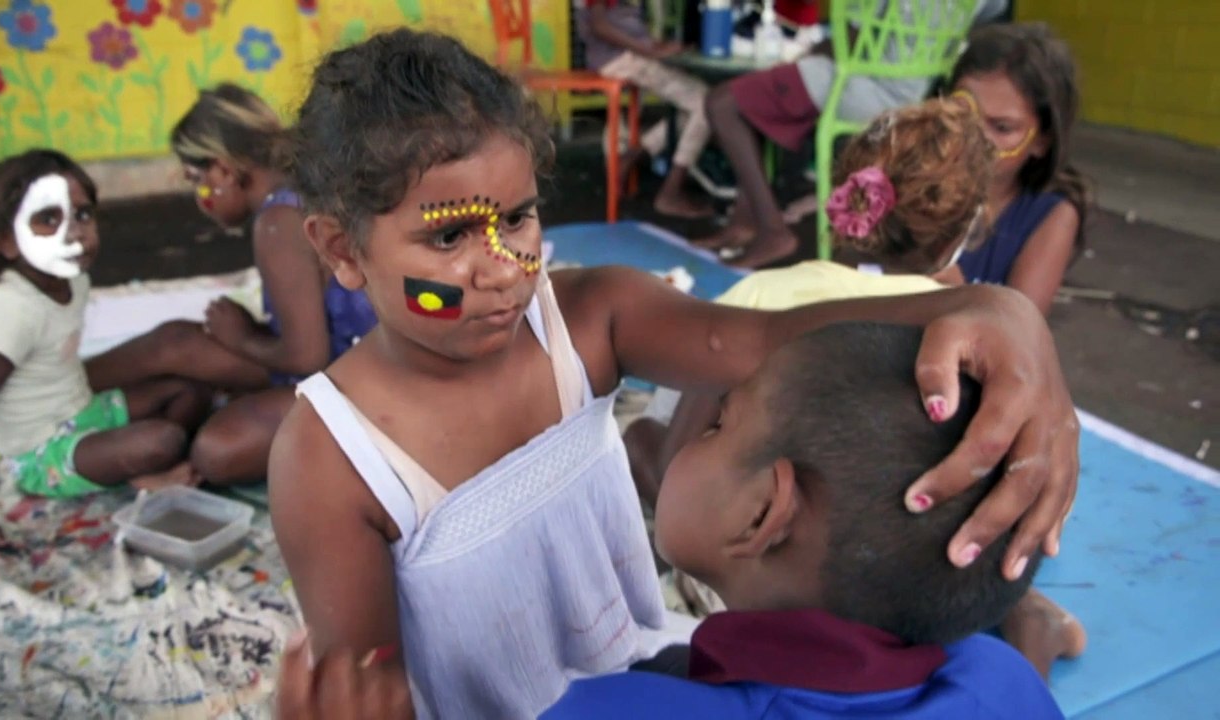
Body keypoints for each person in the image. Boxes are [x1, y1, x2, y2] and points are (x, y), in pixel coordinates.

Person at [267, 30, 1078, 719]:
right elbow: (369, 693)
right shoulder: (332, 454)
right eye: (448, 240)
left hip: (659, 686)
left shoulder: (588, 316)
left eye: (517, 218)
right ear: (341, 249)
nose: (505, 269)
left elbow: (767, 340)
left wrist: (1000, 314)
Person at [629, 98, 1087, 680]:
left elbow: (675, 467)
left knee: (637, 432)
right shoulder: (971, 340)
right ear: (963, 231)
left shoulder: (758, 298)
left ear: (844, 193)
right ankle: (1025, 619)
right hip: (909, 598)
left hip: (764, 587)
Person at [544, 323, 1064, 719]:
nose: (704, 434)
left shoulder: (616, 710)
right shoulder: (1003, 682)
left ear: (762, 514)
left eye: (720, 425)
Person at [81, 84, 378, 485]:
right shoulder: (301, 189)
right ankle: (55, 388)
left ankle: (181, 462)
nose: (199, 197)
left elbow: (308, 357)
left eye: (196, 180)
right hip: (339, 355)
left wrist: (238, 337)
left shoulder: (279, 222)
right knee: (174, 344)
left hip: (357, 377)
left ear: (223, 169)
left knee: (218, 450)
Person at [0, 150, 212, 569]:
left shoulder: (73, 280)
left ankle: (129, 465)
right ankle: (139, 473)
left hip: (79, 410)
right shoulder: (14, 308)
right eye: (48, 218)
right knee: (164, 440)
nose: (74, 232)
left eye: (82, 215)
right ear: (6, 240)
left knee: (188, 391)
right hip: (39, 450)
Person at [701, 0, 1007, 268]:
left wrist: (799, 58)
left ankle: (772, 229)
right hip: (921, 93)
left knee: (723, 103)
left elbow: (849, 37)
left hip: (862, 85)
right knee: (759, 98)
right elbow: (991, 12)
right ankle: (744, 220)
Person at [943, 22, 1088, 315]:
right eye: (961, 112)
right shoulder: (916, 179)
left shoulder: (1052, 216)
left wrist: (959, 298)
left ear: (1042, 142)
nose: (974, 136)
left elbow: (1021, 326)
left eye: (1002, 127)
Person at [577, 0, 714, 218]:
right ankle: (670, 191)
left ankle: (635, 154)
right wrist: (648, 50)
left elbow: (625, 22)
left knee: (701, 103)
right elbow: (599, 26)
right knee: (709, 103)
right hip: (619, 59)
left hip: (628, 55)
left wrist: (656, 45)